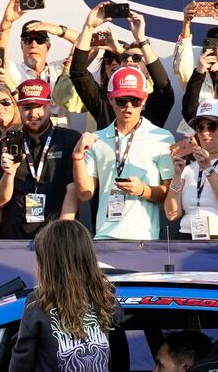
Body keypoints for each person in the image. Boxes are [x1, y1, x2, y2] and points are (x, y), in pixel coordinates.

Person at [3, 219, 118, 372]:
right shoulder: (105, 296)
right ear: (89, 258)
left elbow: (23, 357)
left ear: (46, 263)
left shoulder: (36, 302)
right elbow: (117, 320)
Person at [71, 66, 175, 241]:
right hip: (104, 236)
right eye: (122, 100)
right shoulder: (97, 139)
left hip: (143, 238)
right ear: (110, 99)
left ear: (144, 100)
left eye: (135, 100)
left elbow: (171, 192)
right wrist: (77, 158)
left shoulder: (161, 138)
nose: (128, 106)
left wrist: (144, 190)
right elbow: (85, 193)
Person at [0, 80, 79, 240]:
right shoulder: (6, 144)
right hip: (14, 241)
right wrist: (8, 175)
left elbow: (73, 191)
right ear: (18, 107)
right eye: (27, 108)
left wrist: (62, 234)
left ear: (50, 105)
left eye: (39, 106)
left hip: (55, 240)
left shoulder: (69, 139)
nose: (33, 114)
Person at [69, 6, 174, 130]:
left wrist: (141, 39)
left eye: (137, 58)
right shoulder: (104, 100)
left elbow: (163, 86)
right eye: (124, 57)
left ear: (148, 71)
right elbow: (78, 73)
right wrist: (88, 27)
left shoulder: (154, 102)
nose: (129, 60)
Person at [166, 100, 218, 239]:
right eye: (200, 127)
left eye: (211, 126)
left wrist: (208, 169)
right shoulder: (189, 166)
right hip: (187, 236)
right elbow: (172, 214)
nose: (205, 132)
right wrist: (177, 176)